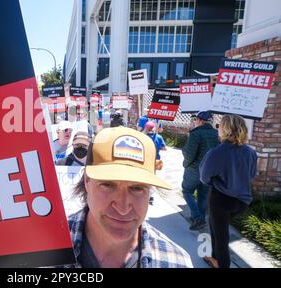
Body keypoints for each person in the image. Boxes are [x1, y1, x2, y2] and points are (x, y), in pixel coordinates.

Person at [60, 127, 193, 268]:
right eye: (107, 184)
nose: (123, 208)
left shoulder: (176, 262)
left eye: (137, 188)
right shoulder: (44, 249)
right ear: (87, 181)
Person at [200, 115, 257, 268]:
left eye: (220, 126)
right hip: (242, 201)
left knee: (221, 237)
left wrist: (217, 182)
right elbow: (251, 175)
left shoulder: (217, 152)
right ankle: (215, 259)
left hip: (221, 200)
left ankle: (221, 264)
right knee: (215, 227)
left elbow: (204, 177)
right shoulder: (251, 152)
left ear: (224, 130)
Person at [182, 111, 220, 231]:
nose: (194, 122)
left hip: (194, 169)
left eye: (195, 119)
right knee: (203, 196)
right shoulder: (216, 133)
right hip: (209, 171)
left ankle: (197, 217)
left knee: (187, 191)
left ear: (199, 120)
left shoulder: (195, 134)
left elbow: (189, 154)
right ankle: (200, 220)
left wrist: (185, 164)